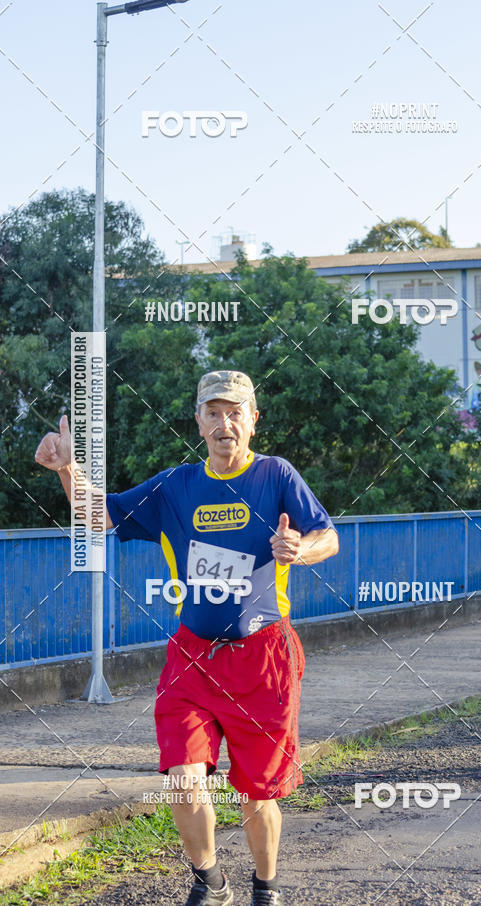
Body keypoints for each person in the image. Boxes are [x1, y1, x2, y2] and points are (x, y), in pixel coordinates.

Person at [35, 369, 339, 906]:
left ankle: (265, 888)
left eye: (235, 412)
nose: (226, 423)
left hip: (264, 656)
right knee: (182, 778)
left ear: (253, 420)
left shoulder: (276, 475)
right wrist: (68, 468)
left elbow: (327, 536)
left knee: (256, 794)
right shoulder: (174, 487)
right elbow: (96, 514)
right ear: (199, 421)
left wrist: (300, 548)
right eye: (214, 412)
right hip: (193, 660)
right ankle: (210, 880)